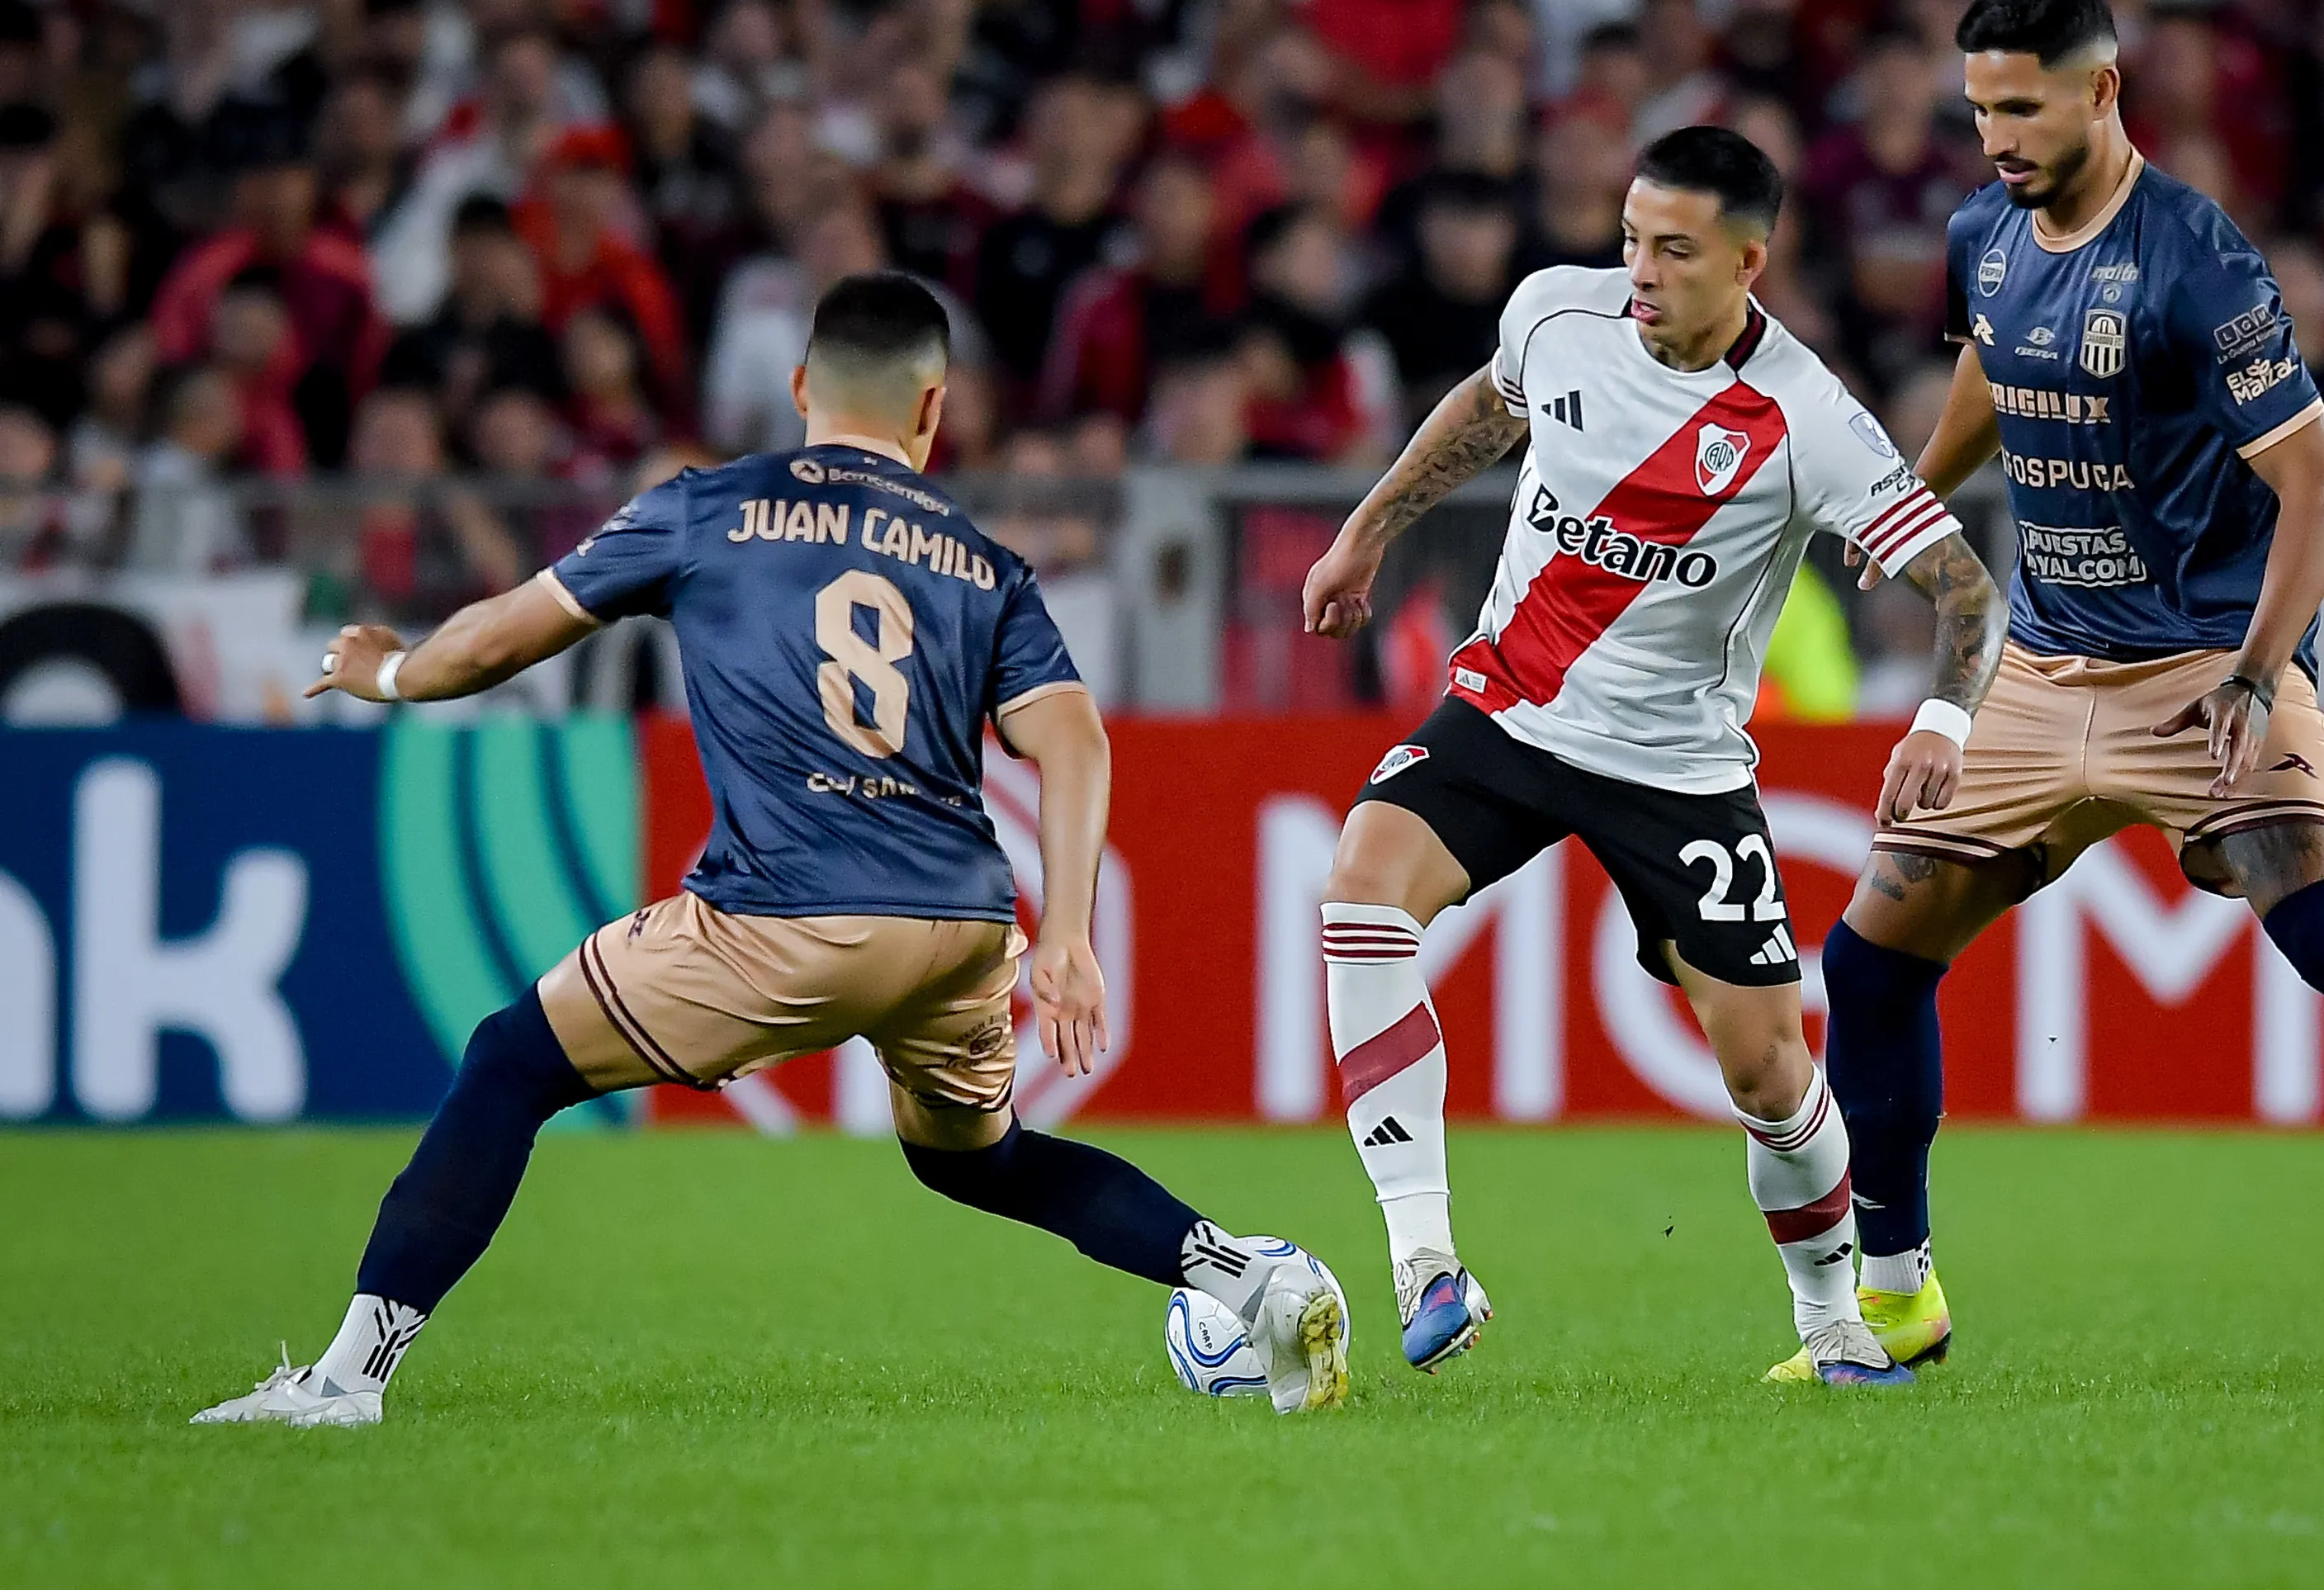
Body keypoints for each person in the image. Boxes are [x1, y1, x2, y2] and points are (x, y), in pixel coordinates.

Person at [194, 274, 1351, 1428]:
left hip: (787, 914)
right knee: (977, 1159)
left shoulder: (708, 508)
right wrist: (1066, 936)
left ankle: (345, 1382)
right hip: (957, 925)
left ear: (800, 385)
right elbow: (1077, 742)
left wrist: (390, 671)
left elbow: (503, 635)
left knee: (510, 1061)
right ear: (934, 408)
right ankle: (1255, 1279)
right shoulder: (983, 564)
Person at [1778, 0, 2324, 1385]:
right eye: (1979, 106)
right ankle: (1899, 1300)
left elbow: (2323, 491)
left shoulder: (2200, 259)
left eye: (2023, 107)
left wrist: (2253, 673)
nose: (1995, 136)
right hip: (2039, 672)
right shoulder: (1984, 227)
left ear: (2104, 90)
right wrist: (1917, 491)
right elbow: (1997, 363)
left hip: (2202, 667)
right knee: (1867, 964)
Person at [1299, 126, 2005, 1389]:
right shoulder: (1555, 314)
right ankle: (1425, 1259)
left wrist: (1941, 723)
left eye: (1673, 249)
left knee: (1770, 1067)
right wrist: (1366, 534)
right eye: (1631, 238)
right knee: (1359, 893)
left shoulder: (1803, 416)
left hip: (1677, 764)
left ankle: (1837, 1315)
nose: (1641, 270)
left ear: (1750, 258)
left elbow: (1965, 588)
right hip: (1507, 708)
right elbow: (1486, 408)